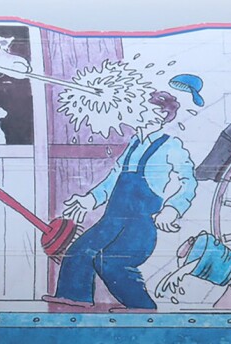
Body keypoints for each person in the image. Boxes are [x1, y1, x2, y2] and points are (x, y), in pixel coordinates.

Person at [49, 90, 197, 312]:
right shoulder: (134, 144)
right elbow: (112, 179)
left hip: (139, 226)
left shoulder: (170, 146)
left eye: (143, 108)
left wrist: (173, 209)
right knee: (79, 252)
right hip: (111, 220)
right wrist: (90, 199)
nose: (136, 111)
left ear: (159, 115)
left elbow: (189, 181)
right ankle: (73, 298)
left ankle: (142, 306)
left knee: (110, 261)